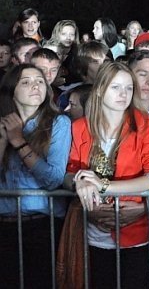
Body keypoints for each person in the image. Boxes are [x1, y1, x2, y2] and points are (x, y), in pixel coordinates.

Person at [64, 62, 149, 289]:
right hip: (92, 232)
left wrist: (103, 186)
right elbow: (69, 172)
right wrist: (78, 183)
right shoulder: (80, 127)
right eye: (115, 87)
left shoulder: (144, 124)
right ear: (99, 89)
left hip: (136, 231)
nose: (123, 94)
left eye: (128, 88)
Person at [0, 64, 72, 288]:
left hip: (43, 225)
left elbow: (53, 179)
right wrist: (3, 141)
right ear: (12, 90)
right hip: (5, 226)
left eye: (40, 81)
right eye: (26, 82)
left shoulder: (58, 123)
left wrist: (18, 141)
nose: (35, 86)